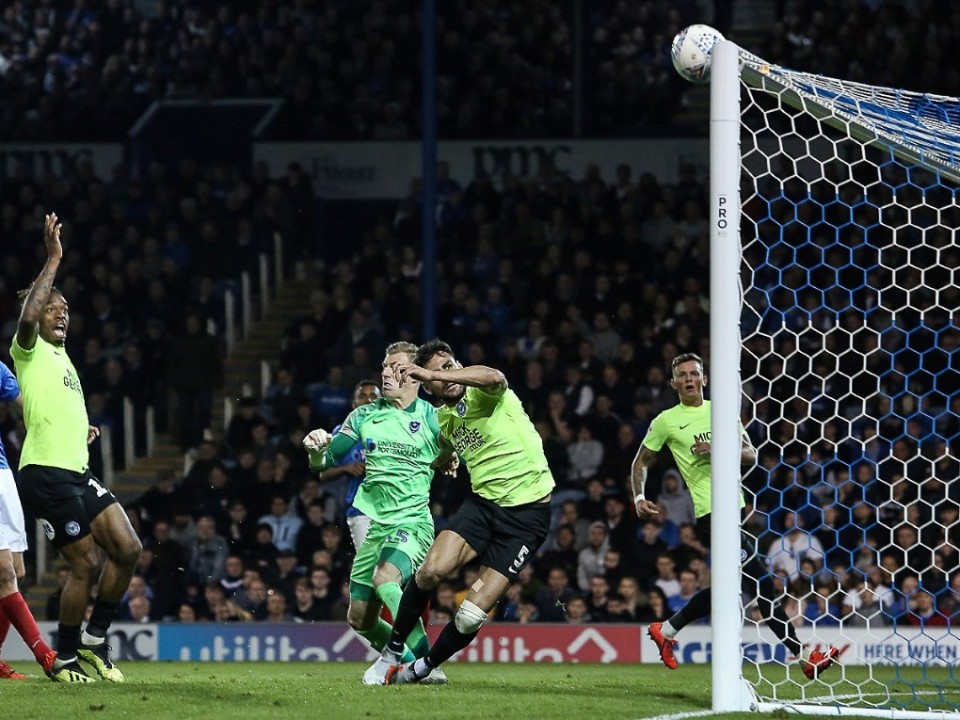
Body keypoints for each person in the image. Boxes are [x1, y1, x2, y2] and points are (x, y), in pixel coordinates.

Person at [631, 352, 838, 680]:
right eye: (682, 375)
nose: (688, 379)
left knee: (730, 589)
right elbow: (641, 461)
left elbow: (750, 454)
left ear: (704, 379)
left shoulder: (722, 412)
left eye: (694, 373)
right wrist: (639, 496)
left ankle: (666, 629)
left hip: (734, 509)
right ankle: (803, 657)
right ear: (673, 383)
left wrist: (717, 448)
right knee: (762, 584)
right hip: (710, 513)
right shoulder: (666, 421)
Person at [371, 338, 554, 685]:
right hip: (483, 507)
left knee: (470, 615)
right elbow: (446, 444)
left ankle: (424, 667)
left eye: (450, 365)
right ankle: (392, 651)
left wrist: (430, 373)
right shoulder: (445, 418)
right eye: (437, 373)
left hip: (526, 519)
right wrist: (446, 459)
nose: (447, 374)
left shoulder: (486, 394)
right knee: (429, 571)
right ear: (430, 389)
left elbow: (495, 376)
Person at [11, 213, 142, 683]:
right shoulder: (27, 349)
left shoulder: (63, 358)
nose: (61, 313)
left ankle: (93, 639)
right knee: (85, 563)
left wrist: (80, 428)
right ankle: (64, 658)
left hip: (76, 470)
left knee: (127, 548)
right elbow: (28, 315)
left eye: (65, 309)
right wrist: (53, 259)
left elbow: (53, 407)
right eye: (52, 308)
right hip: (44, 473)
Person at [303, 342, 457, 686]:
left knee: (385, 578)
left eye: (396, 367)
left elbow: (452, 447)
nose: (386, 373)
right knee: (360, 619)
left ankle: (427, 663)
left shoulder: (432, 417)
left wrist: (450, 458)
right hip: (376, 527)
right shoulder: (363, 416)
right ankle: (413, 665)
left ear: (415, 375)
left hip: (412, 523)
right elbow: (325, 462)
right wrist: (315, 450)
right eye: (385, 366)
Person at [0, 360, 57, 680]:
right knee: (4, 573)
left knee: (17, 572)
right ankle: (45, 655)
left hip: (3, 474)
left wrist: (73, 425)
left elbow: (31, 404)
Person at [315, 379, 380, 551]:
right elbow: (324, 473)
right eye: (363, 396)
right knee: (372, 566)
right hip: (361, 512)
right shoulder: (343, 433)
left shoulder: (395, 430)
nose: (368, 400)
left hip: (394, 509)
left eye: (373, 396)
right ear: (354, 404)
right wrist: (347, 468)